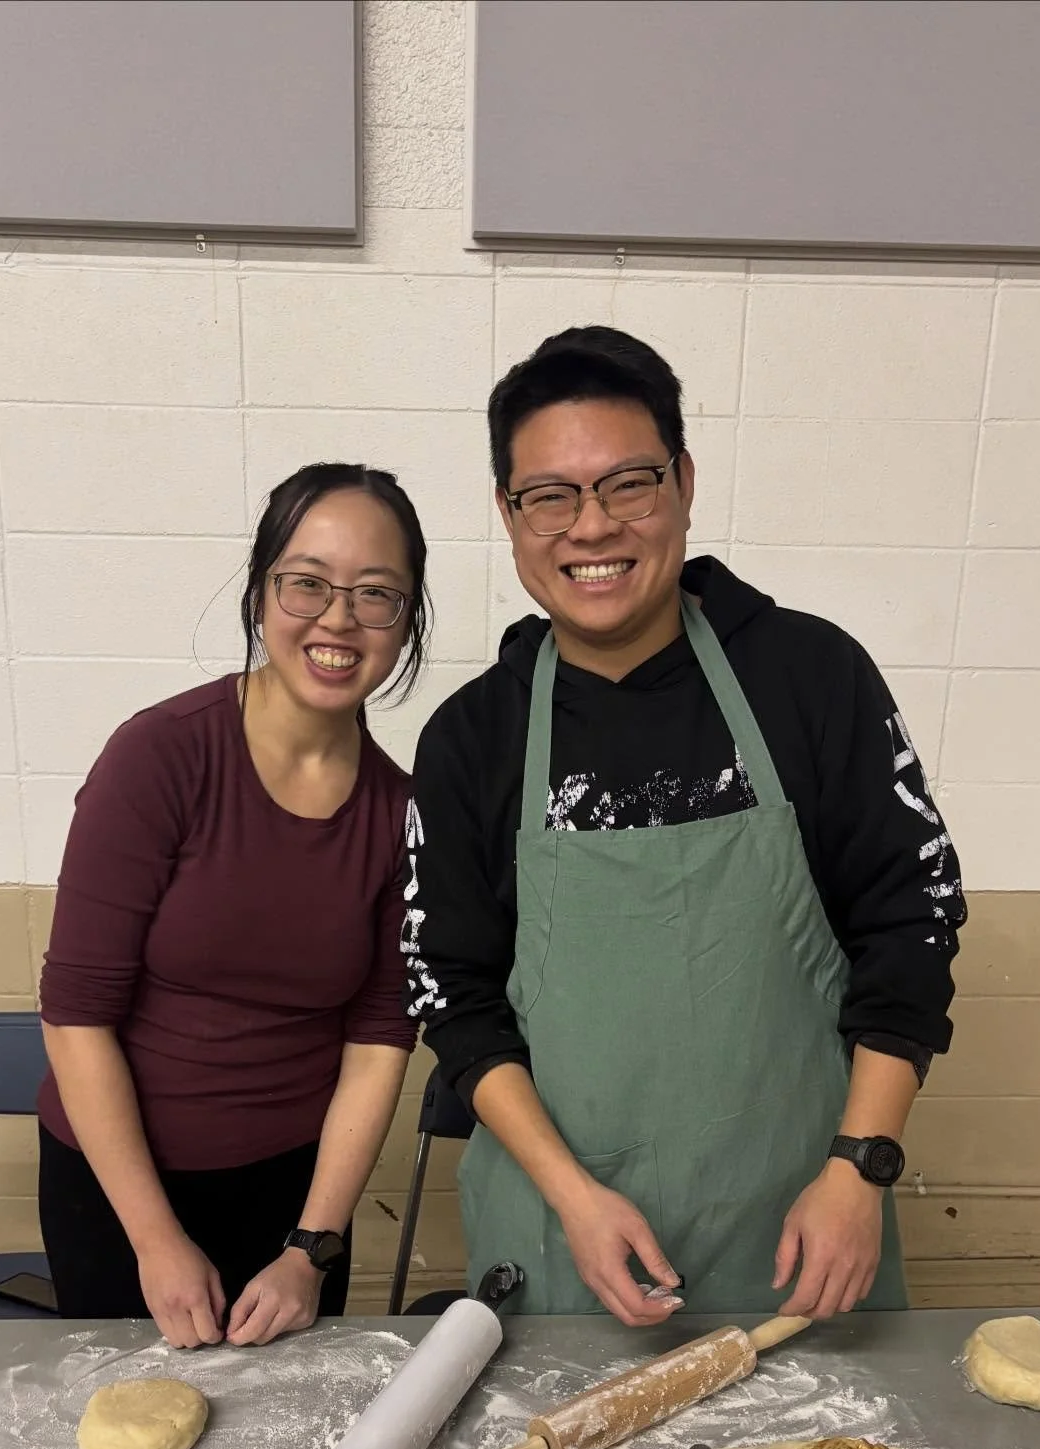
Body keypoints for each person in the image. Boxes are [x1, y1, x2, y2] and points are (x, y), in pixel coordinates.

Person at [405, 328, 965, 1326]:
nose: (592, 526)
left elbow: (910, 924)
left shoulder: (810, 677)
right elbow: (454, 996)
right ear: (508, 512)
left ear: (684, 484)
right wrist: (573, 1200)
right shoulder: (472, 739)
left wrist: (860, 1168)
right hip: (563, 1248)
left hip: (803, 1236)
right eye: (552, 495)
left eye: (628, 483)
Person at [37, 463, 426, 1348]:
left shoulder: (403, 813)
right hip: (119, 1188)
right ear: (260, 595)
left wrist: (310, 1247)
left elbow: (379, 1041)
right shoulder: (160, 759)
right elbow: (77, 1016)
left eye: (377, 595)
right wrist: (156, 1240)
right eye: (308, 585)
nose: (338, 618)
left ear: (405, 625)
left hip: (297, 1200)